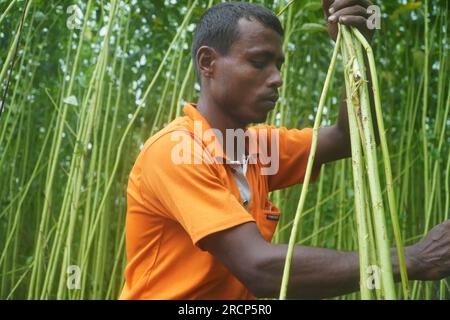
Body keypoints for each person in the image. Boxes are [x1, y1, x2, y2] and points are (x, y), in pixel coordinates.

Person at [120, 1, 450, 299]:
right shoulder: (175, 151)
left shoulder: (257, 148)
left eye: (279, 65)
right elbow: (259, 268)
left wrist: (358, 46)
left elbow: (352, 137)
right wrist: (412, 260)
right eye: (259, 62)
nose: (277, 79)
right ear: (208, 62)